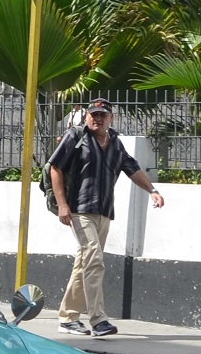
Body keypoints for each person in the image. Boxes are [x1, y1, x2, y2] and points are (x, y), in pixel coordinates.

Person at [48, 98, 165, 338]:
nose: (97, 118)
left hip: (104, 212)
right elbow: (55, 168)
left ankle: (68, 318)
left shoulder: (116, 144)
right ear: (86, 116)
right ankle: (98, 320)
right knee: (95, 259)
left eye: (102, 115)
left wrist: (152, 190)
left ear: (111, 118)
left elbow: (132, 168)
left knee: (84, 264)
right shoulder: (75, 136)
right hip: (79, 209)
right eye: (93, 114)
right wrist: (62, 205)